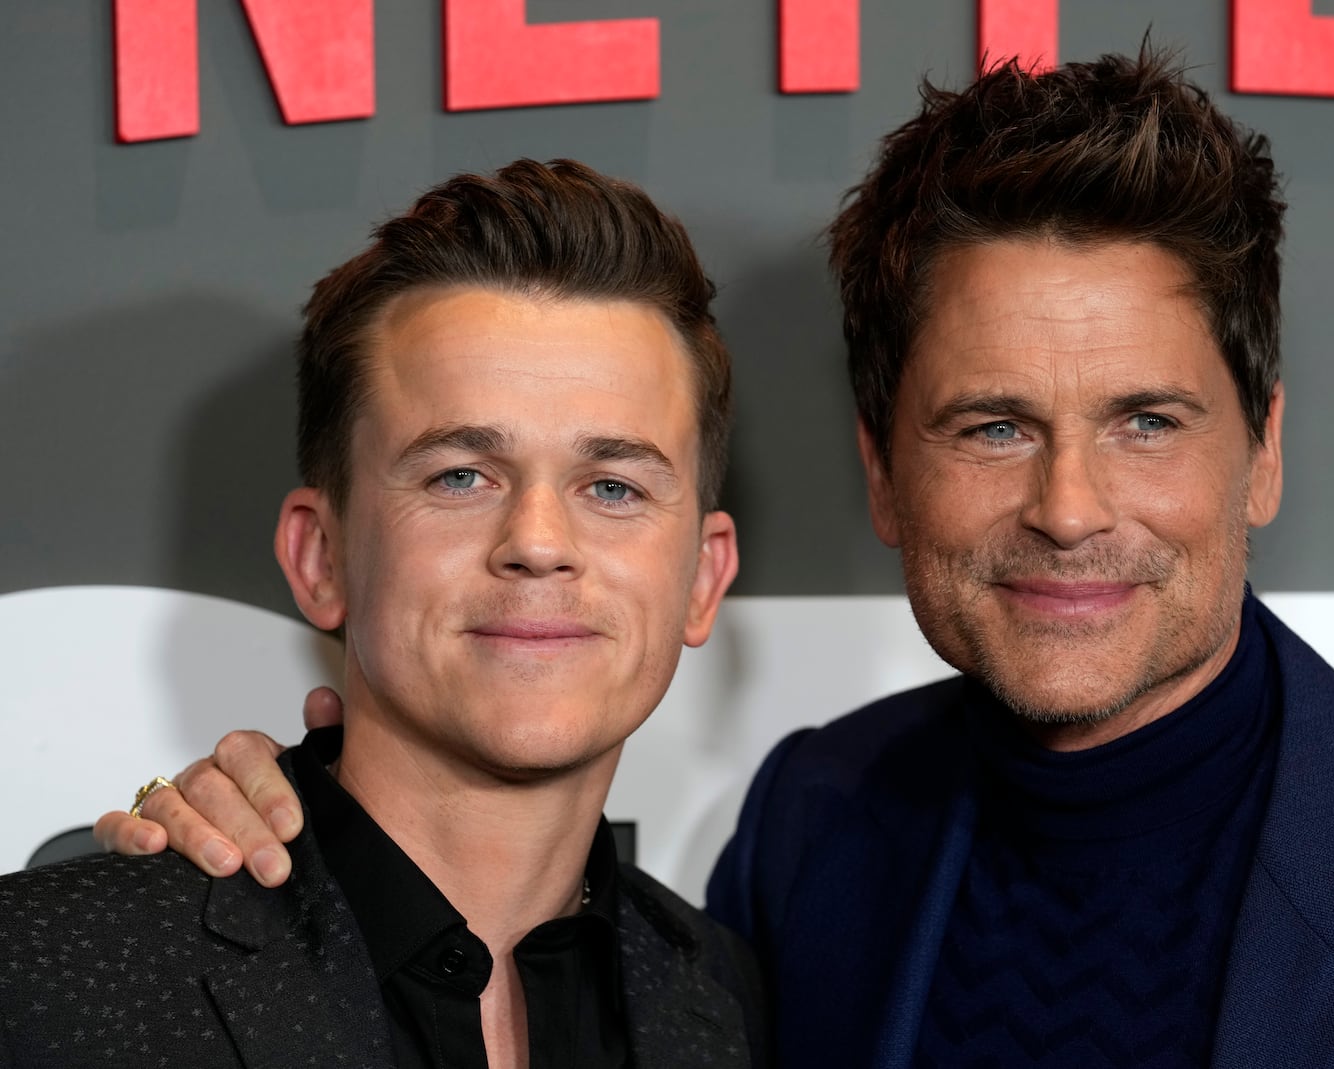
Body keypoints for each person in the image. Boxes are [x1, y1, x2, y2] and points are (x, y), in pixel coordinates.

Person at [98, 49, 1334, 1067]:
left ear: (1261, 449)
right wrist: (213, 862)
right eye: (993, 426)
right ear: (883, 469)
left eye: (1145, 421)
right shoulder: (813, 835)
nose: (1071, 506)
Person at [4, 159, 766, 1068]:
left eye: (612, 485)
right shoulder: (41, 982)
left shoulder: (733, 1001)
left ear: (701, 579)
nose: (536, 540)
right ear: (320, 557)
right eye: (460, 476)